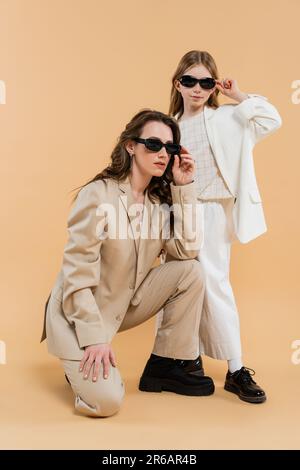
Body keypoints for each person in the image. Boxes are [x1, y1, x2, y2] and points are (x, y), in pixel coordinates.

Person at [41, 109, 215, 418]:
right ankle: (79, 368)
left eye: (170, 147)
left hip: (122, 302)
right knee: (108, 402)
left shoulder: (157, 204)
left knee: (191, 271)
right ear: (130, 146)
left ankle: (166, 364)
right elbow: (76, 275)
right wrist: (94, 339)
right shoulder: (98, 195)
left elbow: (186, 251)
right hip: (76, 314)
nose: (163, 153)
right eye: (153, 144)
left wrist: (183, 188)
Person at [156, 50, 282, 404]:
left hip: (212, 213)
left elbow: (272, 119)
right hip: (176, 211)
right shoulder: (168, 126)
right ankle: (186, 360)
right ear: (177, 83)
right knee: (180, 284)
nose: (198, 89)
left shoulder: (229, 117)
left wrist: (237, 95)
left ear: (214, 86)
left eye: (206, 82)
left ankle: (236, 368)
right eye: (190, 81)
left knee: (214, 283)